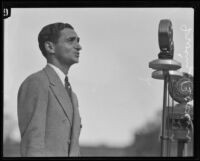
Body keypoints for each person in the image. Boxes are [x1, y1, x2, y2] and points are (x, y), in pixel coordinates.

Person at [17, 22, 82, 157]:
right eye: (71, 40)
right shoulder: (37, 83)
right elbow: (33, 146)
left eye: (78, 41)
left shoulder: (72, 95)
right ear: (50, 47)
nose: (79, 46)